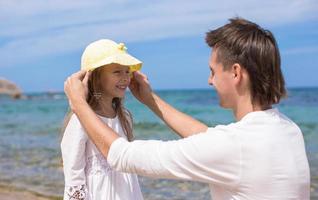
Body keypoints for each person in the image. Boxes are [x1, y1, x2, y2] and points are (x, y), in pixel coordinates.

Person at [64, 18, 310, 199]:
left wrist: (78, 103)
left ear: (236, 73)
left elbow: (124, 156)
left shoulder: (234, 146)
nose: (209, 81)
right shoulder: (289, 131)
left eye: (213, 72)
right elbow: (210, 138)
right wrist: (151, 100)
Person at [61, 39, 144, 200]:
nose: (126, 77)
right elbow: (73, 171)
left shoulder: (123, 116)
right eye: (117, 72)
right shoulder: (81, 119)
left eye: (127, 71)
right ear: (95, 77)